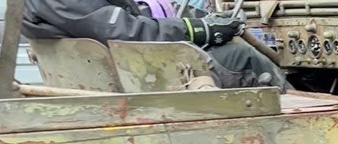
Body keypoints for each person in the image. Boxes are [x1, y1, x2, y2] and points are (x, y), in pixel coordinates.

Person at [22, 0, 286, 89]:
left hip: (118, 72)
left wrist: (195, 24)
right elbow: (126, 31)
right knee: (241, 57)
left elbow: (130, 20)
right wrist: (199, 29)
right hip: (133, 78)